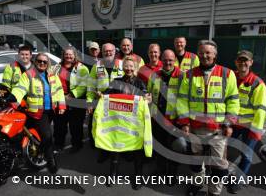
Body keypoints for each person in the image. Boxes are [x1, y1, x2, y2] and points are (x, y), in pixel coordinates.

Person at [176, 40, 239, 196]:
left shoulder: (227, 74)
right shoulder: (189, 75)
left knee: (219, 165)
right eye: (202, 52)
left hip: (218, 129)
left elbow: (233, 100)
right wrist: (184, 122)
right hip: (195, 128)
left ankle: (214, 192)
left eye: (208, 53)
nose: (205, 56)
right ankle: (197, 185)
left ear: (215, 54)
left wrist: (229, 123)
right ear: (198, 54)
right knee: (196, 162)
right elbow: (182, 100)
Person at [9, 53, 66, 174]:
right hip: (37, 112)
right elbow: (20, 88)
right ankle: (51, 160)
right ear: (35, 61)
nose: (42, 63)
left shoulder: (52, 75)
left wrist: (61, 105)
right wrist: (13, 100)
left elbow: (59, 90)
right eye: (39, 61)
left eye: (45, 62)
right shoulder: (29, 75)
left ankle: (38, 151)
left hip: (51, 110)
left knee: (39, 134)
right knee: (47, 136)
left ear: (48, 63)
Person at [101, 58, 151, 190]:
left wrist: (147, 98)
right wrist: (101, 95)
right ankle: (113, 173)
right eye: (126, 66)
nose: (128, 69)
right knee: (115, 147)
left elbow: (145, 95)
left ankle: (138, 175)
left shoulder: (140, 82)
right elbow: (106, 94)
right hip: (118, 121)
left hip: (135, 123)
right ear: (123, 68)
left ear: (134, 67)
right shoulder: (116, 81)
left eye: (131, 66)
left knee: (137, 148)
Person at [227, 50, 266, 194]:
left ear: (251, 62)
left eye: (246, 60)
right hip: (232, 123)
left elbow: (261, 110)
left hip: (249, 126)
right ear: (235, 62)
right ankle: (224, 174)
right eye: (240, 60)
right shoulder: (230, 77)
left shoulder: (257, 83)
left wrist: (255, 132)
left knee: (246, 154)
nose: (243, 63)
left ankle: (239, 180)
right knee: (221, 148)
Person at [147, 49, 182, 183]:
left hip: (174, 120)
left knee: (174, 148)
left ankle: (172, 174)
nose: (168, 62)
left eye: (171, 60)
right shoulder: (154, 75)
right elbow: (149, 93)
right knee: (160, 147)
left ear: (175, 61)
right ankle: (160, 171)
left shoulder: (182, 76)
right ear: (162, 60)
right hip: (158, 118)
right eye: (166, 60)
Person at [87, 43, 124, 153]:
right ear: (101, 53)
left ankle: (117, 149)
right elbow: (90, 86)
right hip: (100, 101)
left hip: (118, 102)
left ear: (115, 52)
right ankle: (102, 149)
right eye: (105, 51)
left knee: (116, 126)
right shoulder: (97, 66)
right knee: (101, 126)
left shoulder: (122, 64)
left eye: (110, 51)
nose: (108, 53)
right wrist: (89, 102)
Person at [52, 46, 89, 153]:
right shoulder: (57, 67)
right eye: (66, 54)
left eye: (70, 54)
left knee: (76, 125)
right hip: (60, 99)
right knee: (59, 125)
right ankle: (59, 144)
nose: (68, 56)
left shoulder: (82, 68)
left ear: (74, 55)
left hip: (76, 100)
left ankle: (77, 145)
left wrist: (71, 95)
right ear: (63, 55)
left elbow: (84, 84)